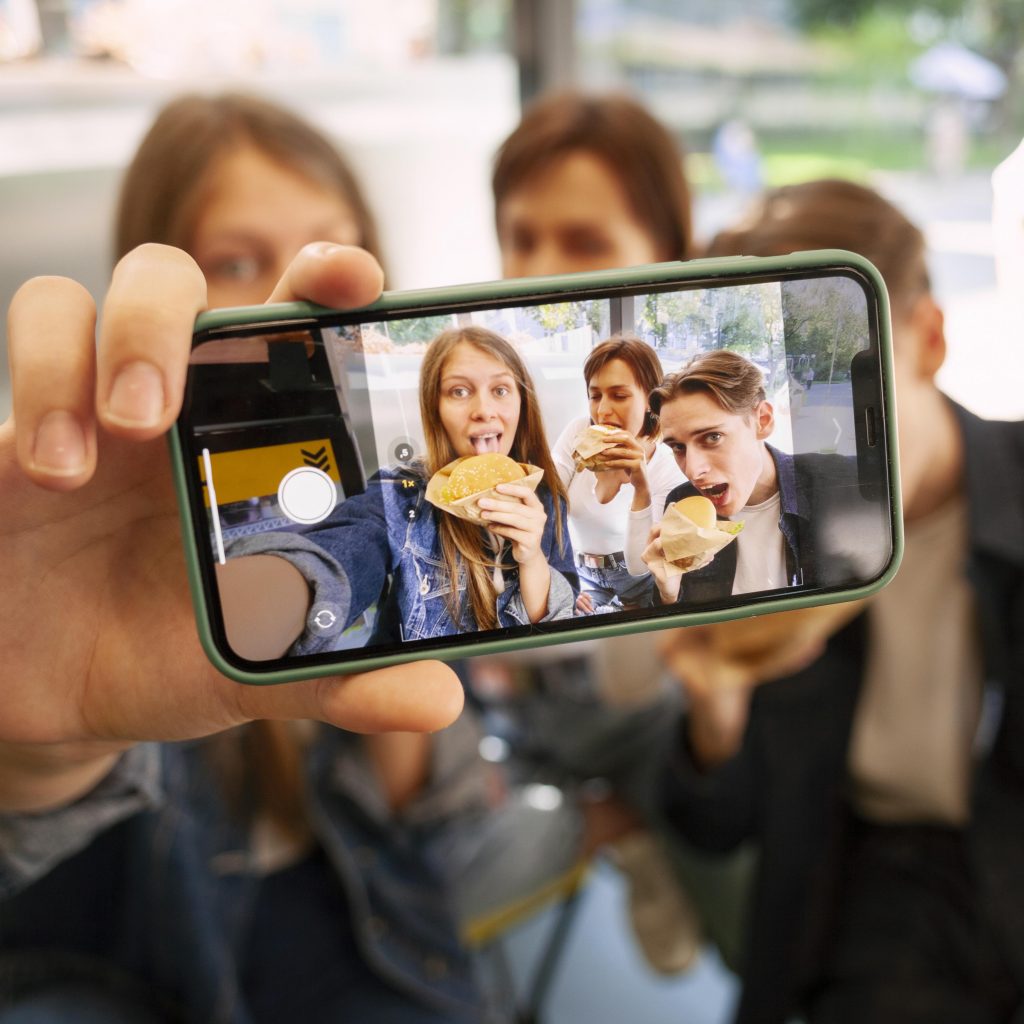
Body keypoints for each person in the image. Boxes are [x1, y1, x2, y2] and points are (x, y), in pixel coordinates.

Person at [0, 93, 490, 1023]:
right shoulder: (89, 536)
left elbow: (445, 823)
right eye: (235, 262)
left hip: (384, 953)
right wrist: (33, 766)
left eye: (330, 249)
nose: (294, 297)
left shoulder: (403, 497)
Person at [660, 179, 1024, 1024]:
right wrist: (715, 713)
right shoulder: (746, 544)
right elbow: (715, 823)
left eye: (838, 370)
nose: (818, 426)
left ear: (928, 340)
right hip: (867, 881)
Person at [223, 324, 578, 657]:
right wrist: (260, 604)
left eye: (500, 390)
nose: (483, 410)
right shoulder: (402, 494)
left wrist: (531, 559)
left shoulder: (547, 497)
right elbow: (347, 549)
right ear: (435, 410)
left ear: (521, 403)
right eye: (459, 391)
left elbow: (560, 624)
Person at [641, 349, 862, 605]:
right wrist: (668, 595)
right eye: (678, 447)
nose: (693, 470)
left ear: (763, 421)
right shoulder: (681, 505)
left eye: (712, 437)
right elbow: (686, 633)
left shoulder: (843, 483)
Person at [550, 335, 684, 614]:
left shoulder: (667, 467)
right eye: (595, 395)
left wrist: (641, 488)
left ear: (650, 399)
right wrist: (563, 584)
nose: (602, 411)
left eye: (619, 396)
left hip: (639, 583)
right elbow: (546, 507)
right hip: (583, 575)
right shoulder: (579, 434)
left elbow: (640, 565)